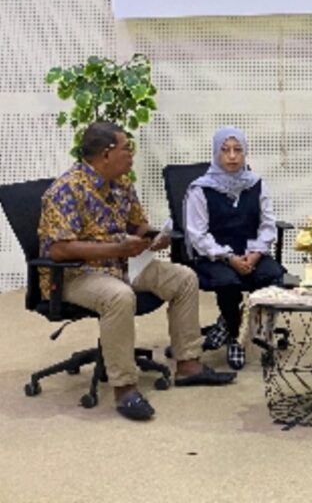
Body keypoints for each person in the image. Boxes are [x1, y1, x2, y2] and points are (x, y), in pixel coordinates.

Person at [38, 121, 236, 422]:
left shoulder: (121, 183)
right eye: (126, 148)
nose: (131, 154)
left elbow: (137, 224)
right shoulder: (66, 189)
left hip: (123, 264)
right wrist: (116, 249)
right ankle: (125, 388)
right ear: (106, 154)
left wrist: (154, 236)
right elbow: (58, 250)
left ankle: (189, 365)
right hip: (75, 274)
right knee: (119, 296)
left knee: (184, 278)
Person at [184, 126, 286, 370]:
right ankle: (236, 338)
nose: (232, 156)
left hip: (251, 253)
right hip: (215, 256)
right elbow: (198, 235)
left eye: (238, 150)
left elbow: (268, 225)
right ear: (216, 153)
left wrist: (256, 254)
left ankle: (231, 322)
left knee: (277, 277)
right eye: (225, 150)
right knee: (228, 282)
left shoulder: (257, 184)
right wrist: (229, 258)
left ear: (245, 153)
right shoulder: (200, 189)